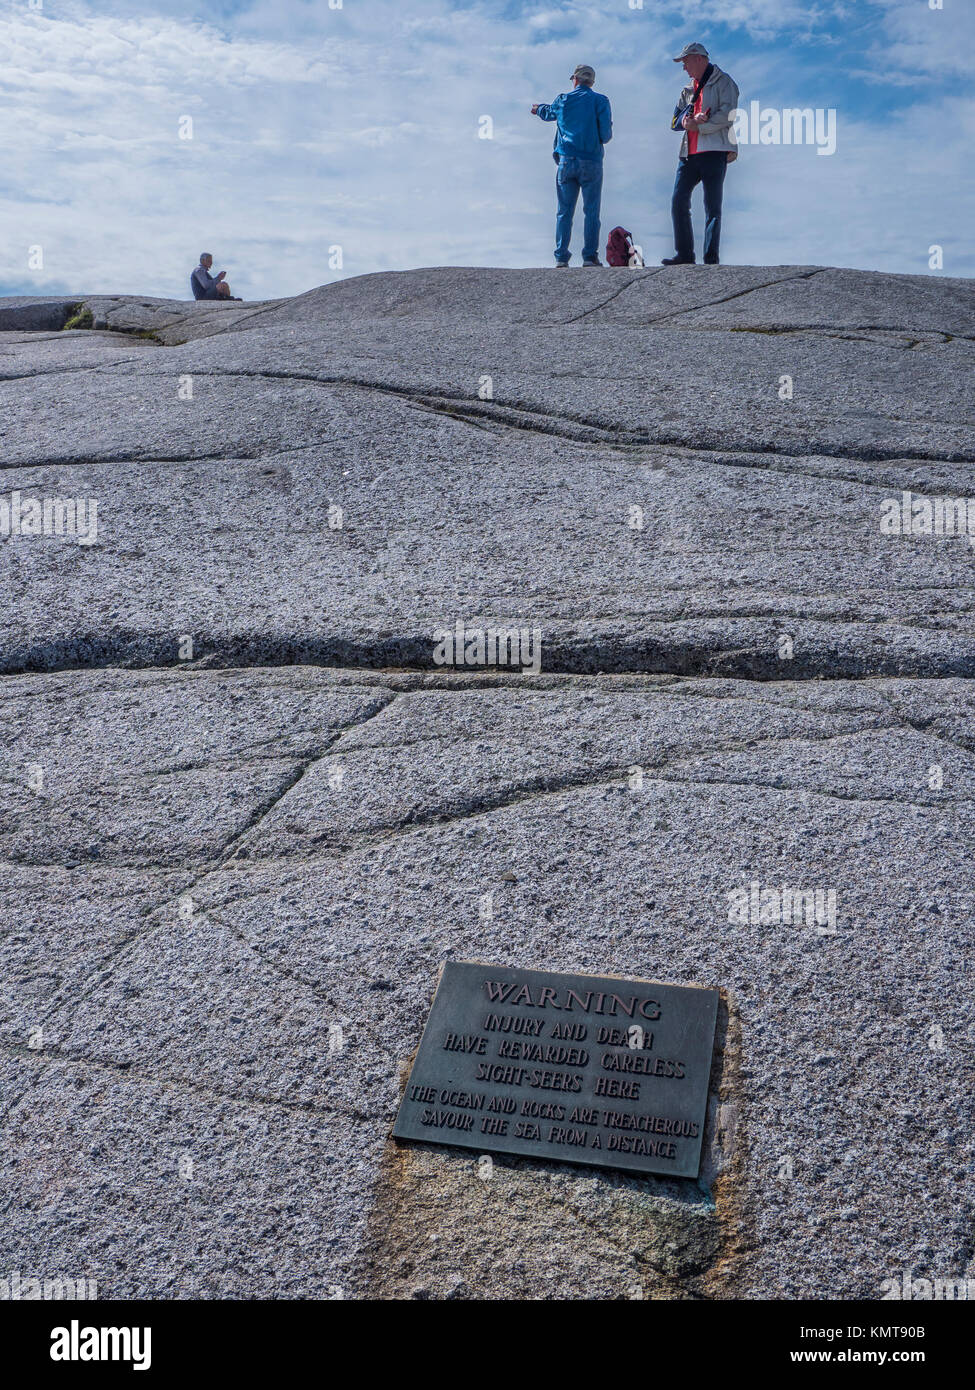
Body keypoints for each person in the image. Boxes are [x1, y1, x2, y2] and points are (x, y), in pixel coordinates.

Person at [663, 43, 739, 266]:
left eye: (685, 62)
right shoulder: (687, 90)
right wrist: (687, 122)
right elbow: (675, 121)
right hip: (689, 153)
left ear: (698, 58)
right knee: (678, 201)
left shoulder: (724, 82)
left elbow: (729, 114)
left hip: (714, 151)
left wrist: (701, 127)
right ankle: (685, 255)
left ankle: (710, 259)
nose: (684, 67)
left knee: (712, 206)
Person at [531, 64, 612, 267]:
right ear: (591, 82)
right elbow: (606, 136)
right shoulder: (600, 101)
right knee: (591, 211)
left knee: (564, 211)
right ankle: (589, 257)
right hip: (591, 161)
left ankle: (561, 257)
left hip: (566, 160)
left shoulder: (563, 100)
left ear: (574, 80)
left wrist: (537, 108)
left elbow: (548, 112)